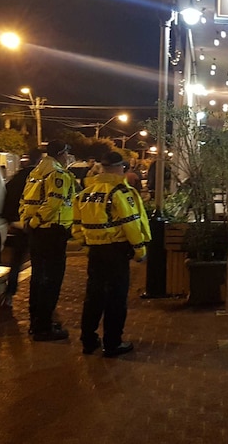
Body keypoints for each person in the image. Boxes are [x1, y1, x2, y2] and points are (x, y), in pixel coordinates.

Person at [73, 151, 151, 357]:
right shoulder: (121, 192)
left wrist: (86, 244)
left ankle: (88, 340)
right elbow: (131, 223)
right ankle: (112, 343)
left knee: (93, 297)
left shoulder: (87, 192)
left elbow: (76, 225)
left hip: (95, 252)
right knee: (116, 299)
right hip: (116, 251)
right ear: (119, 168)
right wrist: (140, 250)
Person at [19, 139, 78, 342]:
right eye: (67, 153)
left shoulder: (35, 173)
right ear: (61, 153)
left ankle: (37, 321)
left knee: (38, 277)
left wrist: (27, 220)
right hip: (52, 231)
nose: (68, 157)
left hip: (37, 232)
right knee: (51, 280)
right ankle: (44, 327)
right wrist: (36, 221)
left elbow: (24, 199)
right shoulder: (58, 174)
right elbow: (54, 202)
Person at [0, 147, 43, 308]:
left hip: (18, 224)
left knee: (16, 262)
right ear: (39, 160)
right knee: (39, 262)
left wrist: (11, 219)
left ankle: (9, 293)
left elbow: (7, 194)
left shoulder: (18, 177)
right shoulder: (40, 178)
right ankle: (37, 298)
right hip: (36, 225)